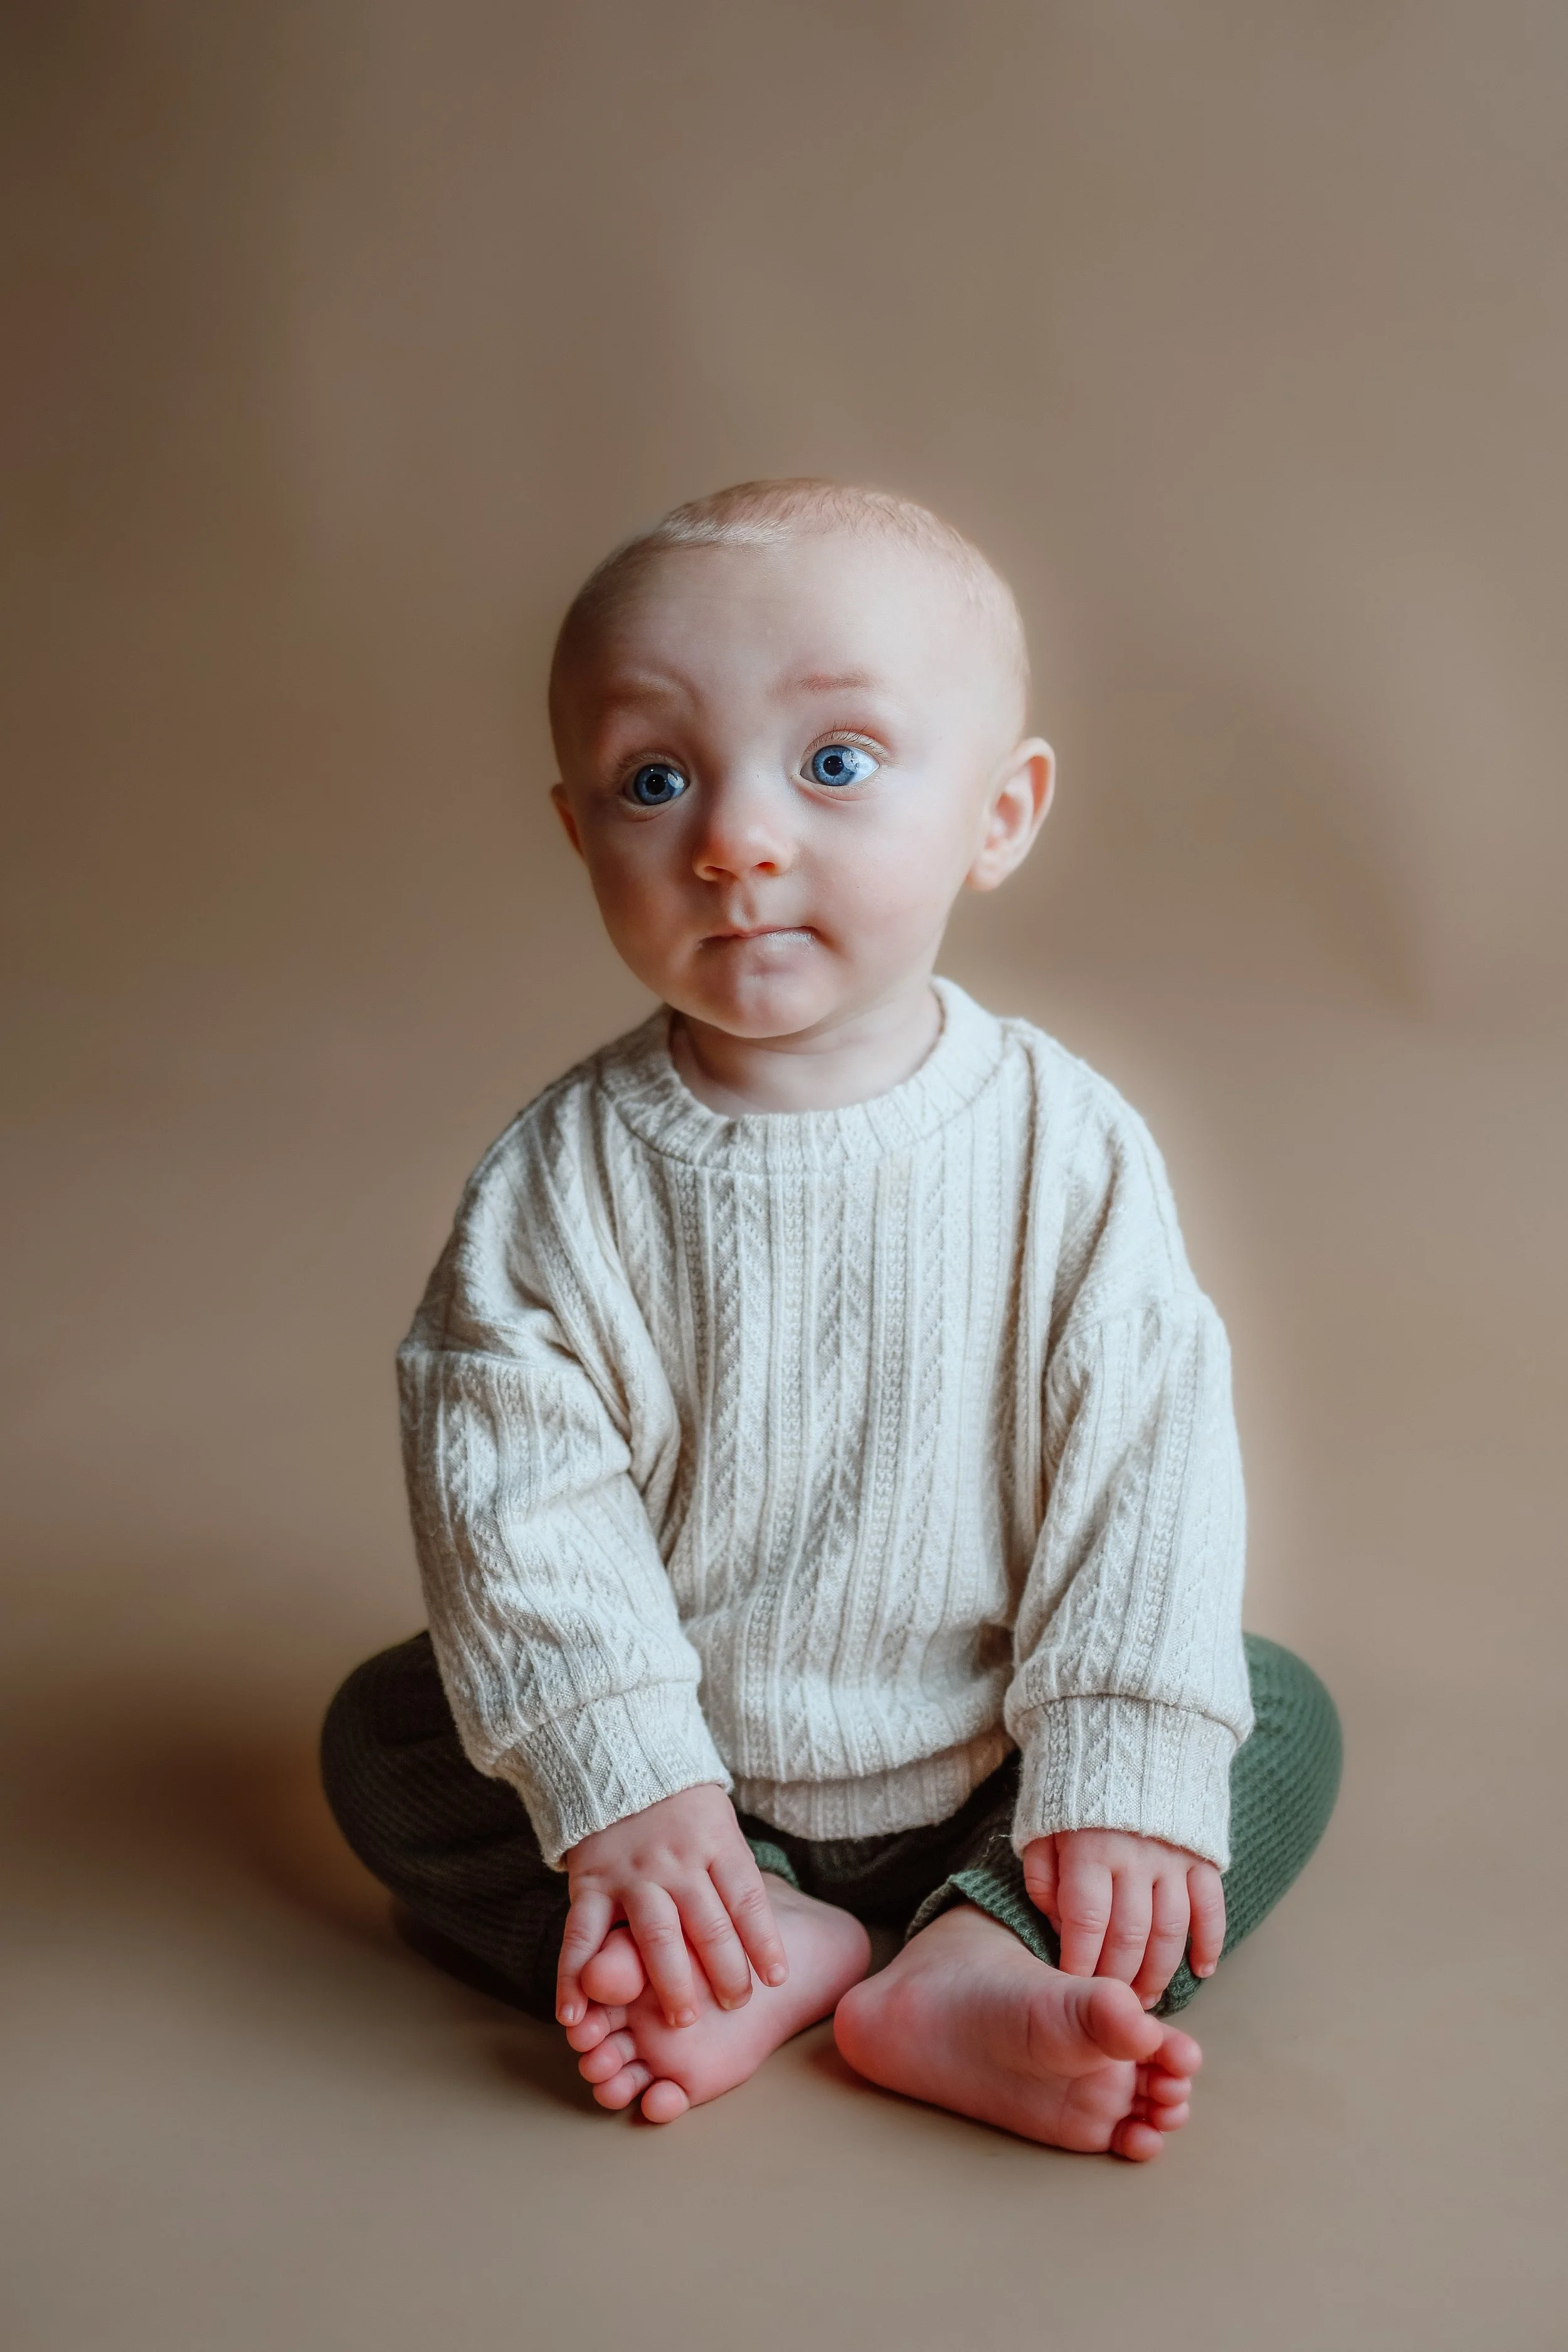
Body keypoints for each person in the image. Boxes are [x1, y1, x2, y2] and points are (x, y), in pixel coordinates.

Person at [321, 479, 1340, 2159]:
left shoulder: (1064, 1144)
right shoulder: (559, 1183)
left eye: (837, 761)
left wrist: (1118, 1763)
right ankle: (747, 1933)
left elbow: (1144, 1463)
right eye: (655, 780)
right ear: (580, 834)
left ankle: (984, 1953)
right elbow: (513, 1506)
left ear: (998, 814)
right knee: (384, 1737)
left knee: (1259, 1714)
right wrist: (629, 1781)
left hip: (1001, 1761)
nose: (733, 838)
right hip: (689, 1789)